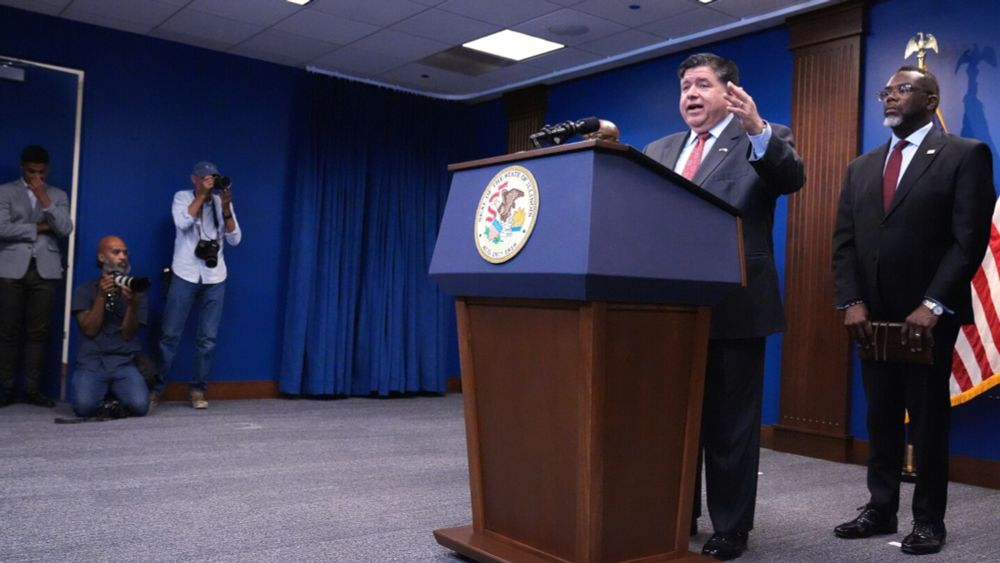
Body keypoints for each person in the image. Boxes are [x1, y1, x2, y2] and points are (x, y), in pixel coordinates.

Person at [643, 53, 805, 560]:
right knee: (675, 422)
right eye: (685, 87)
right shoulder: (658, 149)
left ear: (730, 92)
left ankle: (731, 527)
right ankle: (678, 513)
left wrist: (755, 127)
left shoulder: (760, 136)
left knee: (730, 426)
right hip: (670, 312)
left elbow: (790, 178)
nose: (691, 94)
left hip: (735, 306)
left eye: (702, 85)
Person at [832, 66, 995, 555]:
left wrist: (933, 303)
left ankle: (928, 521)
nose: (890, 97)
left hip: (927, 318)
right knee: (880, 416)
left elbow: (969, 240)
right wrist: (852, 301)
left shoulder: (964, 154)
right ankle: (880, 508)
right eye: (886, 91)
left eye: (902, 89)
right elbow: (844, 242)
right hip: (871, 319)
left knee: (927, 422)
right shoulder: (861, 167)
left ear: (930, 100)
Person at [153, 161, 240, 410]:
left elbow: (235, 239)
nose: (210, 182)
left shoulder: (221, 202)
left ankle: (198, 389)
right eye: (205, 178)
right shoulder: (182, 197)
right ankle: (156, 388)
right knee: (169, 335)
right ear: (194, 178)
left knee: (207, 339)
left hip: (215, 277)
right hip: (185, 273)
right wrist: (201, 197)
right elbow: (182, 223)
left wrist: (226, 208)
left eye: (213, 177)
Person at [0, 145, 74, 407]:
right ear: (22, 168)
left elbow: (64, 228)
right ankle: (6, 388)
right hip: (10, 268)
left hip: (46, 269)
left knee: (38, 333)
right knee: (7, 331)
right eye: (31, 171)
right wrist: (39, 228)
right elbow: (1, 228)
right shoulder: (5, 191)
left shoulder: (57, 195)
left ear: (47, 170)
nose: (36, 177)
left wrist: (44, 199)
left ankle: (32, 390)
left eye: (41, 172)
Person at [69, 236, 150, 418]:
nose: (123, 257)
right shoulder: (84, 290)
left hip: (123, 361)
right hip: (92, 362)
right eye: (116, 252)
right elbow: (90, 330)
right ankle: (108, 395)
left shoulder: (136, 291)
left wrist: (132, 306)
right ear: (101, 257)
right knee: (83, 407)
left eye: (125, 253)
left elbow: (128, 334)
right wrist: (100, 296)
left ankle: (113, 395)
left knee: (140, 406)